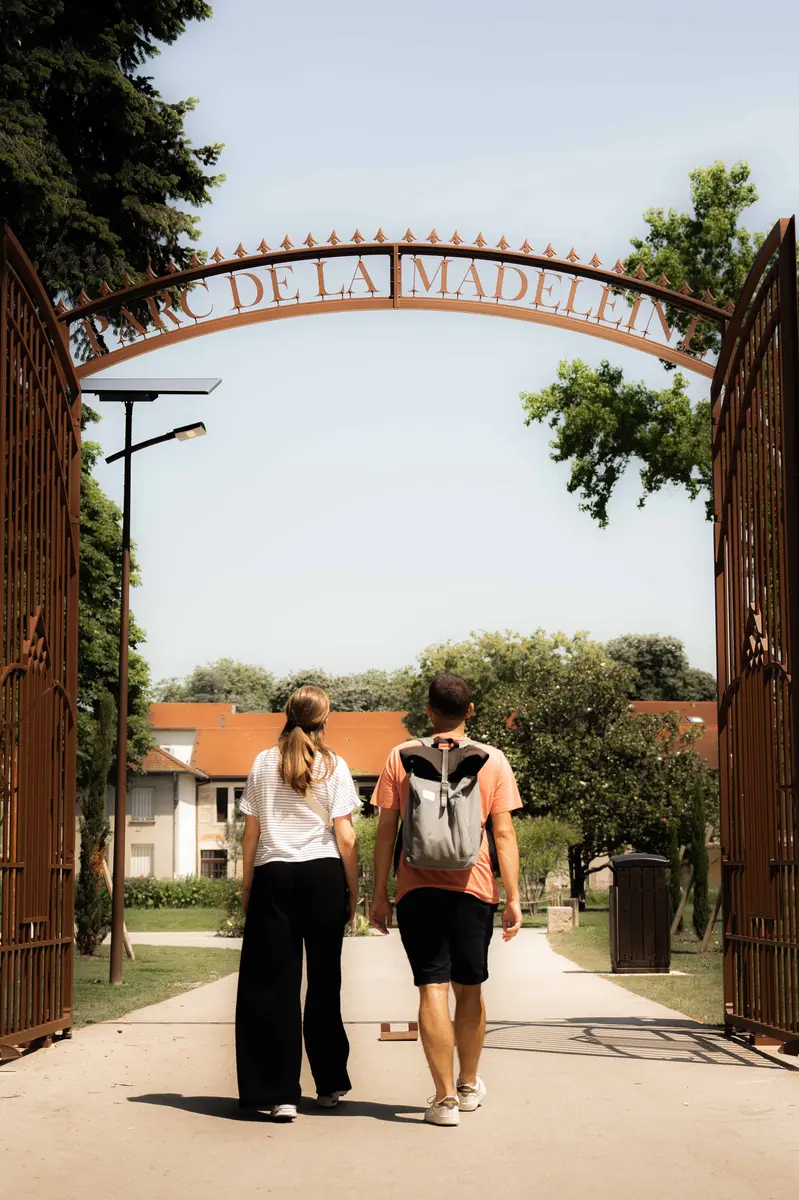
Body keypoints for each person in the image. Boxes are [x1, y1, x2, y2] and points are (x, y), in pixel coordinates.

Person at [370, 673, 522, 1127]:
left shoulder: (401, 756)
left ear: (429, 710)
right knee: (470, 988)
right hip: (472, 888)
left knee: (431, 987)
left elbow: (386, 831)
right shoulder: (492, 760)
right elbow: (503, 833)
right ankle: (469, 1085)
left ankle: (443, 1100)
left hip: (418, 889)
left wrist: (380, 893)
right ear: (470, 711)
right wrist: (512, 897)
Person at [235, 685, 360, 1122]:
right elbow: (345, 835)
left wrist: (248, 885)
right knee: (325, 983)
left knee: (274, 986)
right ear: (325, 719)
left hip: (275, 875)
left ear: (288, 714)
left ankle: (280, 1092)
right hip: (323, 875)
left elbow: (251, 833)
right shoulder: (333, 765)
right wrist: (353, 890)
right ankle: (328, 1085)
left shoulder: (262, 762)